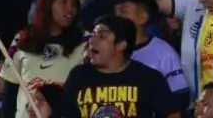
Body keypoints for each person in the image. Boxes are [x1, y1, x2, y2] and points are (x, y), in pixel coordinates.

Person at [42, 15, 180, 118]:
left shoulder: (147, 78)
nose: (92, 40)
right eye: (93, 35)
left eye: (102, 36)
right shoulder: (78, 76)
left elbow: (172, 114)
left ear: (121, 45)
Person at [0, 0, 87, 118]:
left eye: (74, 4)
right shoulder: (21, 39)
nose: (70, 8)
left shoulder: (85, 41)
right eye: (63, 1)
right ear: (47, 3)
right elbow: (10, 91)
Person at [113, 0, 189, 110]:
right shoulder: (108, 51)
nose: (116, 17)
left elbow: (180, 97)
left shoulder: (164, 53)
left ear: (143, 17)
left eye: (123, 11)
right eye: (115, 12)